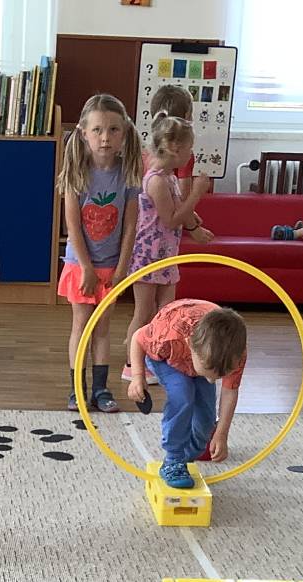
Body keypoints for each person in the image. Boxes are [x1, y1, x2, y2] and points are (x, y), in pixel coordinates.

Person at [57, 93, 141, 412]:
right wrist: (87, 269)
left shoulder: (127, 175)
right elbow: (73, 227)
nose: (105, 137)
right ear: (84, 133)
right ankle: (77, 389)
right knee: (81, 326)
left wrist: (122, 269)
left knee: (103, 329)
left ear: (124, 133)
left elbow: (130, 226)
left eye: (113, 130)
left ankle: (101, 390)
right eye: (98, 130)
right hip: (81, 266)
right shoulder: (77, 174)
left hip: (111, 267)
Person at [121, 115, 212, 393]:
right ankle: (131, 364)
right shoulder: (156, 180)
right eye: (189, 148)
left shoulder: (169, 178)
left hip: (166, 256)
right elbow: (170, 219)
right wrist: (197, 194)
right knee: (144, 312)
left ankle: (157, 358)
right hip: (148, 257)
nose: (191, 154)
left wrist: (195, 224)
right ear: (174, 147)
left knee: (166, 312)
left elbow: (178, 210)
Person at [125, 299, 248, 491]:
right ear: (190, 345)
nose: (211, 381)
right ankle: (173, 460)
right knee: (182, 395)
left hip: (200, 356)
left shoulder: (234, 353)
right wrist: (137, 377)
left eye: (217, 377)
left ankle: (189, 454)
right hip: (166, 359)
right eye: (208, 373)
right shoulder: (168, 335)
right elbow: (138, 338)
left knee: (206, 418)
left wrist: (221, 433)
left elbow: (229, 390)